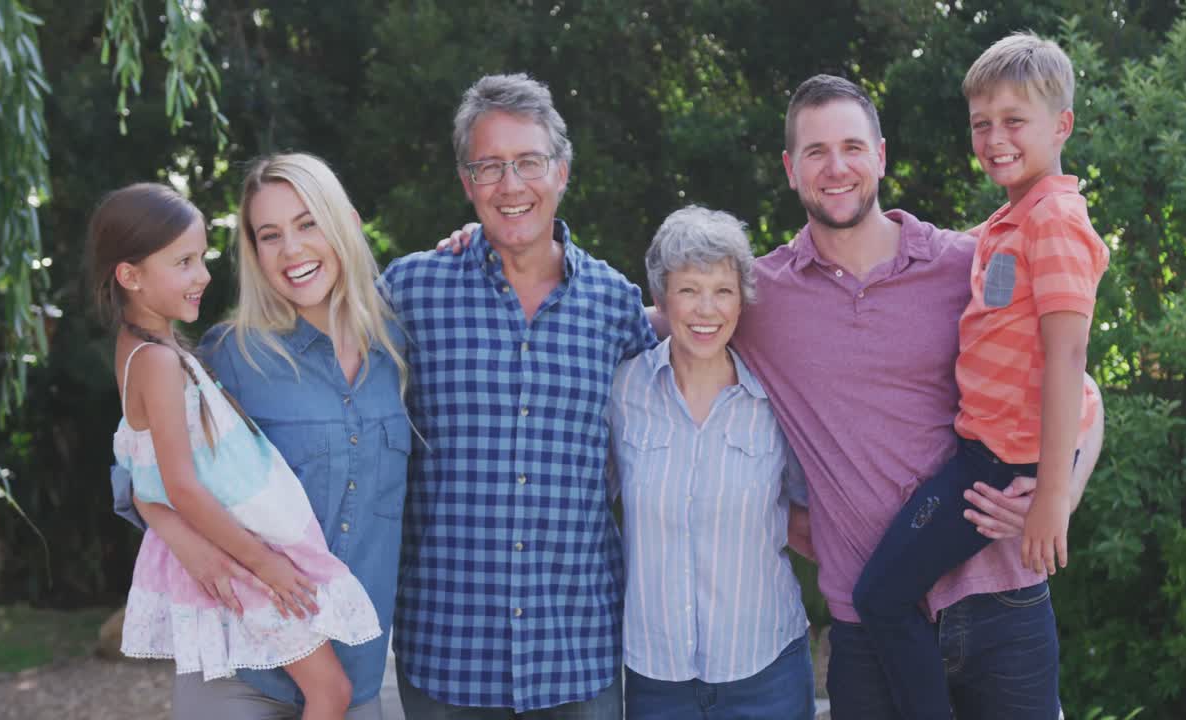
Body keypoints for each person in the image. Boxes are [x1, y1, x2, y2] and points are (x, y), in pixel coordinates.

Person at [733, 74, 1103, 720]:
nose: (837, 166)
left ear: (880, 155)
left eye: (852, 146)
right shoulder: (758, 298)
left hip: (1002, 603)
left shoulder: (969, 264)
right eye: (816, 152)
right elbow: (665, 324)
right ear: (792, 170)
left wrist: (1058, 495)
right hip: (867, 631)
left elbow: (1084, 386)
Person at [849, 35, 1109, 719]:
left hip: (996, 466)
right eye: (981, 123)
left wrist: (1055, 495)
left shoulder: (1053, 220)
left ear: (1063, 126)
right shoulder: (1009, 222)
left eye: (1014, 120)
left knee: (879, 595)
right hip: (983, 454)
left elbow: (1069, 357)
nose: (994, 138)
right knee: (888, 592)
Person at [382, 73, 655, 718]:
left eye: (528, 162)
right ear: (466, 182)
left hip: (577, 652)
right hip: (446, 651)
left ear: (561, 171)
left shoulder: (614, 305)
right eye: (489, 166)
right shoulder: (410, 292)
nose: (511, 185)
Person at [110, 155, 411, 720]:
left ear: (344, 221)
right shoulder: (228, 356)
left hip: (355, 676)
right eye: (269, 235)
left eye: (307, 223)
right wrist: (187, 541)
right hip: (240, 672)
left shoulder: (399, 344)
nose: (291, 250)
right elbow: (134, 467)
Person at [610, 206, 815, 720]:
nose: (707, 309)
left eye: (722, 290)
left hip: (766, 669)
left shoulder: (775, 400)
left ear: (741, 301)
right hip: (656, 676)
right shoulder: (622, 390)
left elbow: (815, 509)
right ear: (661, 297)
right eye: (689, 290)